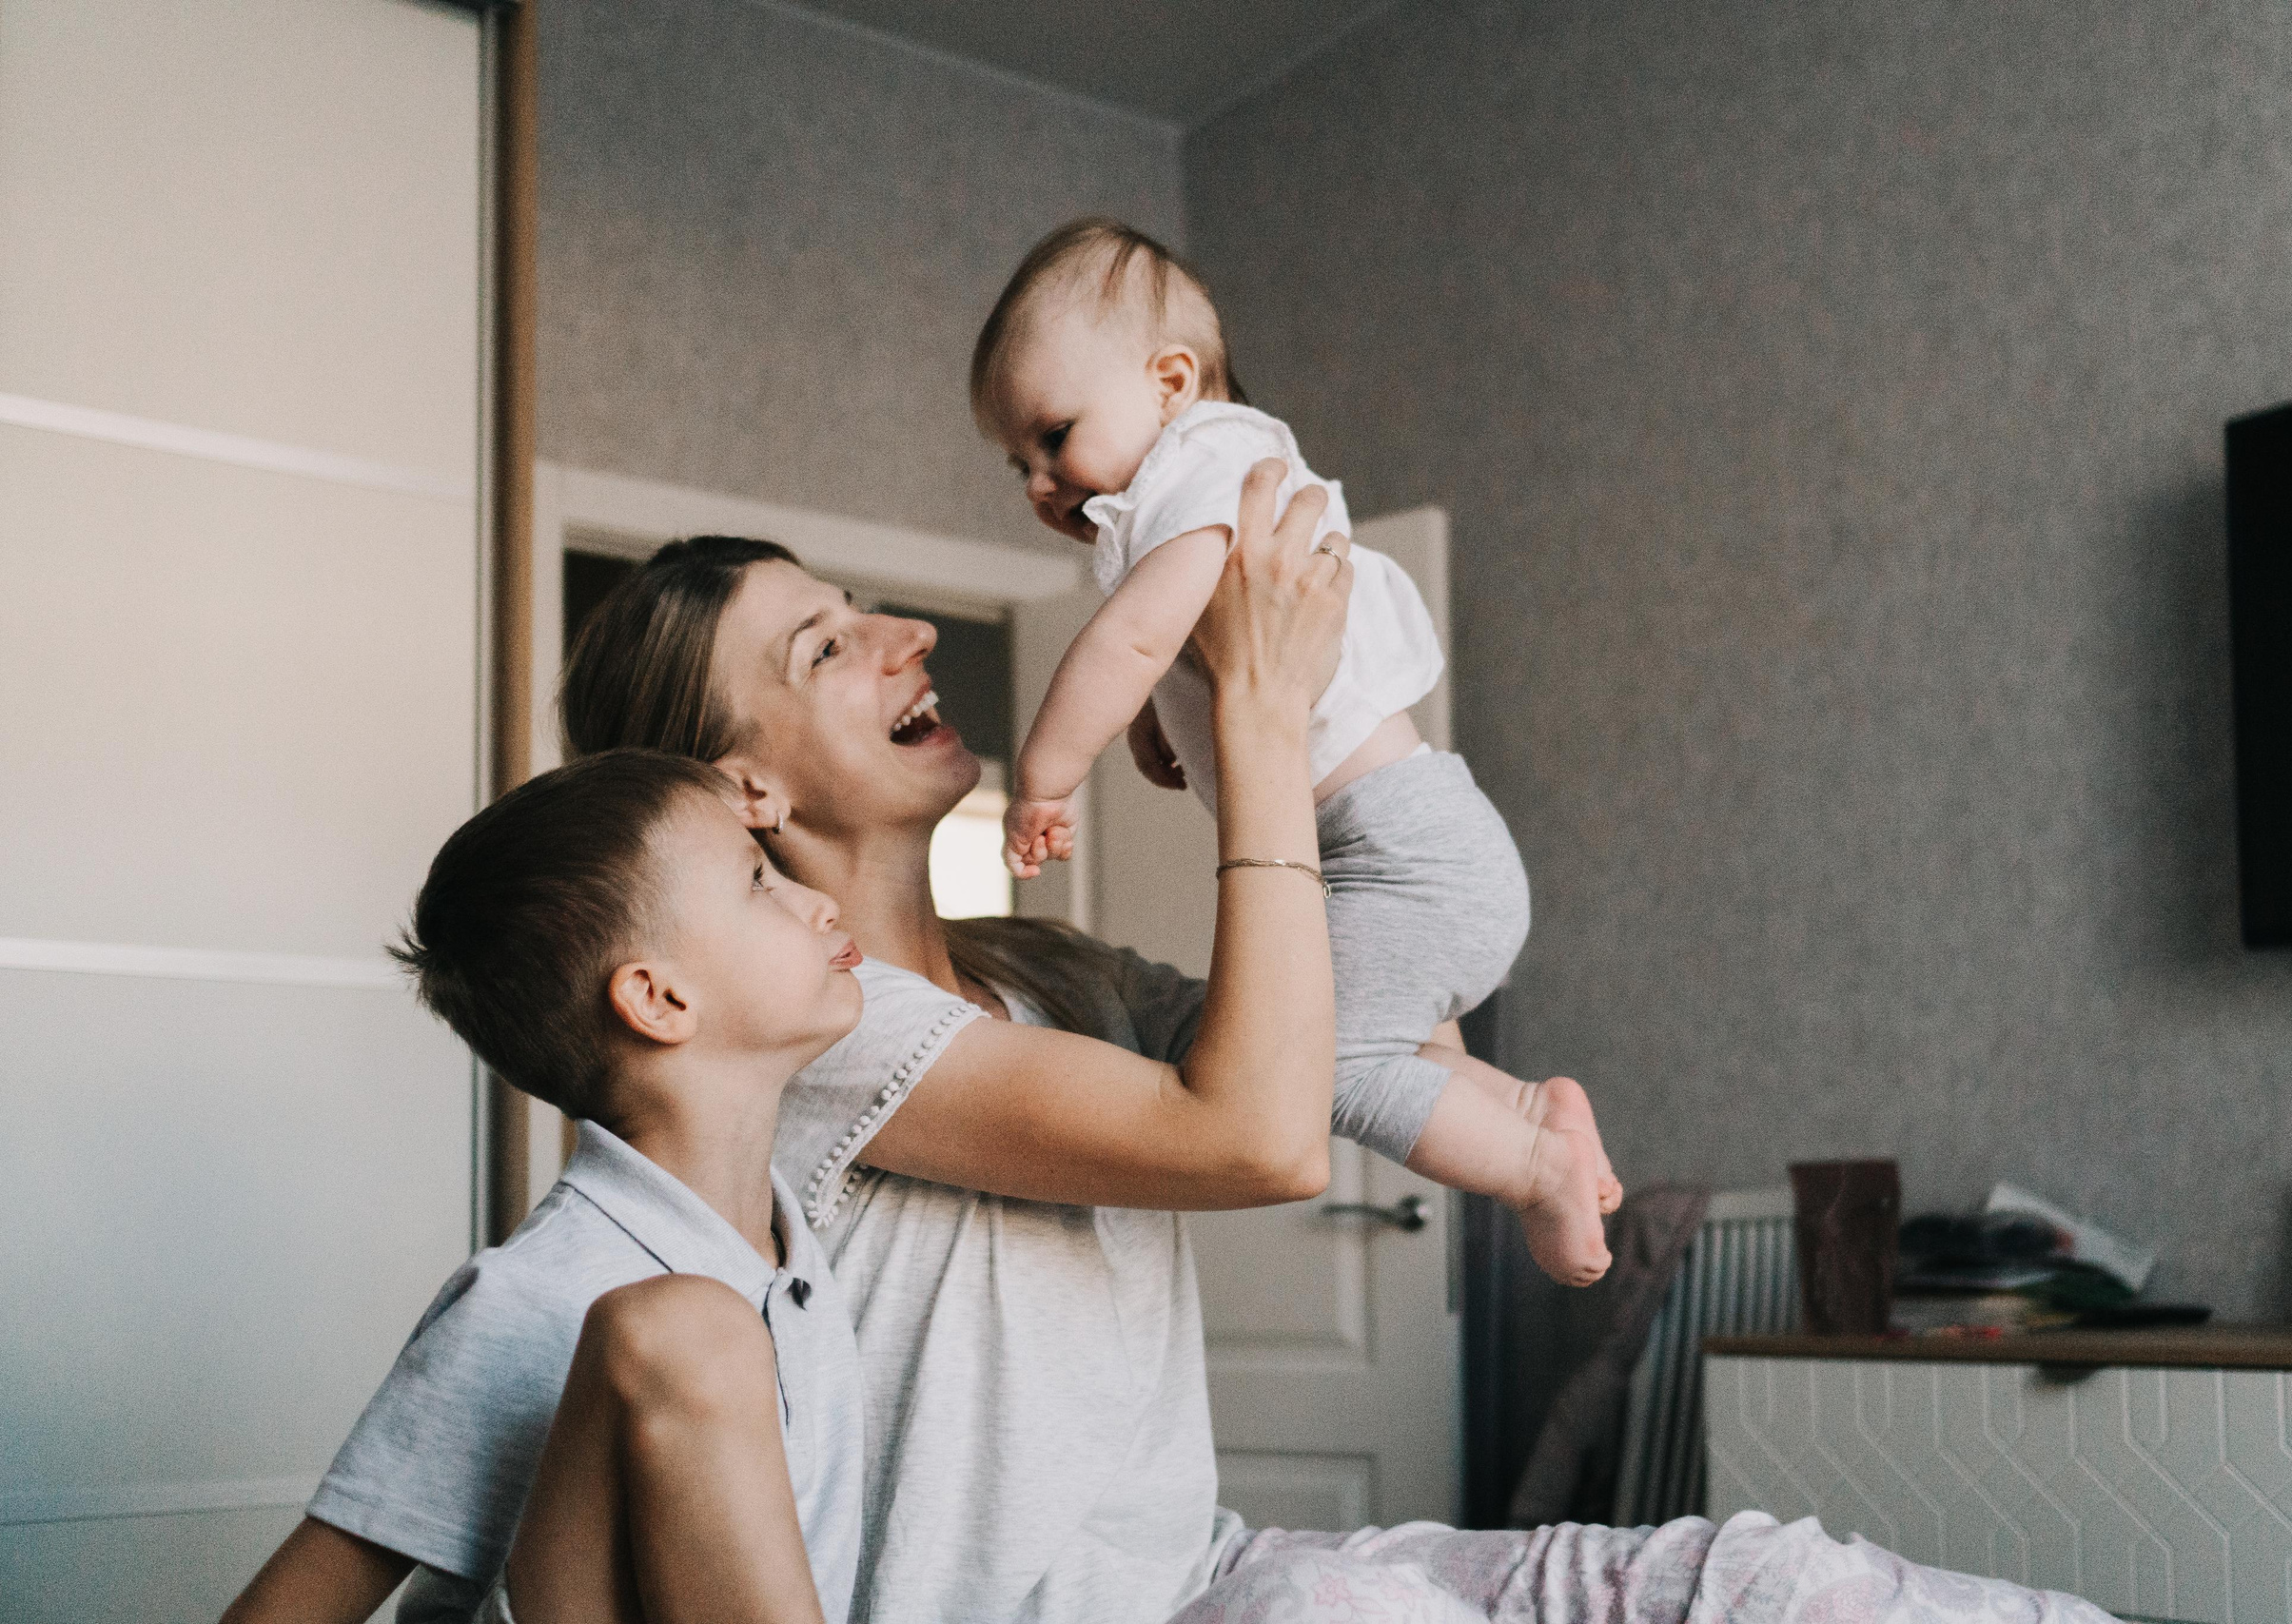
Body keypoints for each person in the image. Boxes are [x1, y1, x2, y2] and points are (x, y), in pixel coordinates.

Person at [559, 468, 2117, 1624]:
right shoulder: (805, 1037)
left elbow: (1362, 1031)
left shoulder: (1045, 968)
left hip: (1207, 1569)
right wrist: (1252, 717)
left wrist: (1350, 745)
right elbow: (1258, 1134)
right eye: (826, 646)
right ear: (746, 788)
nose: (902, 635)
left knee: (1769, 1578)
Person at [971, 217, 1615, 1286]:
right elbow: (1169, 638)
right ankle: (1524, 1114)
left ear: (1171, 380)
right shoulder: (1201, 491)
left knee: (1305, 1070)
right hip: (1410, 852)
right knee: (1380, 1058)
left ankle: (1531, 1165)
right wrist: (1149, 718)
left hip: (1399, 863)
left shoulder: (1204, 469)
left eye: (1053, 434)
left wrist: (1044, 775)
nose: (1040, 481)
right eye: (1017, 463)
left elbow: (1131, 637)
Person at [221, 752, 871, 1624]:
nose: (816, 900)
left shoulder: (789, 1245)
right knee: (690, 1328)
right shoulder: (538, 1292)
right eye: (759, 880)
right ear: (660, 999)